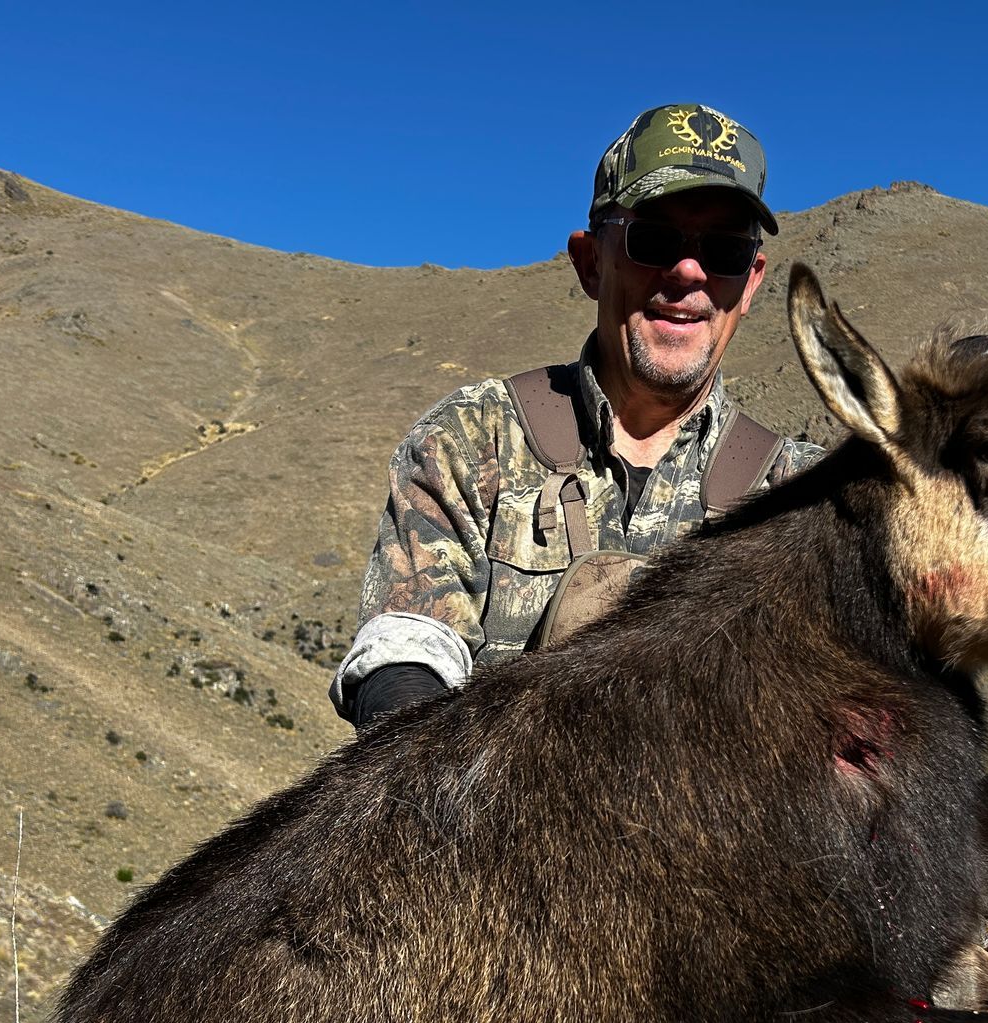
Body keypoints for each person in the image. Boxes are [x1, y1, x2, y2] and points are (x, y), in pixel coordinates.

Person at [331, 103, 822, 730]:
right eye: (653, 240)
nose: (688, 273)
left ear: (750, 283)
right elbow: (406, 646)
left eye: (723, 252)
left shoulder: (803, 499)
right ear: (591, 261)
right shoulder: (474, 439)